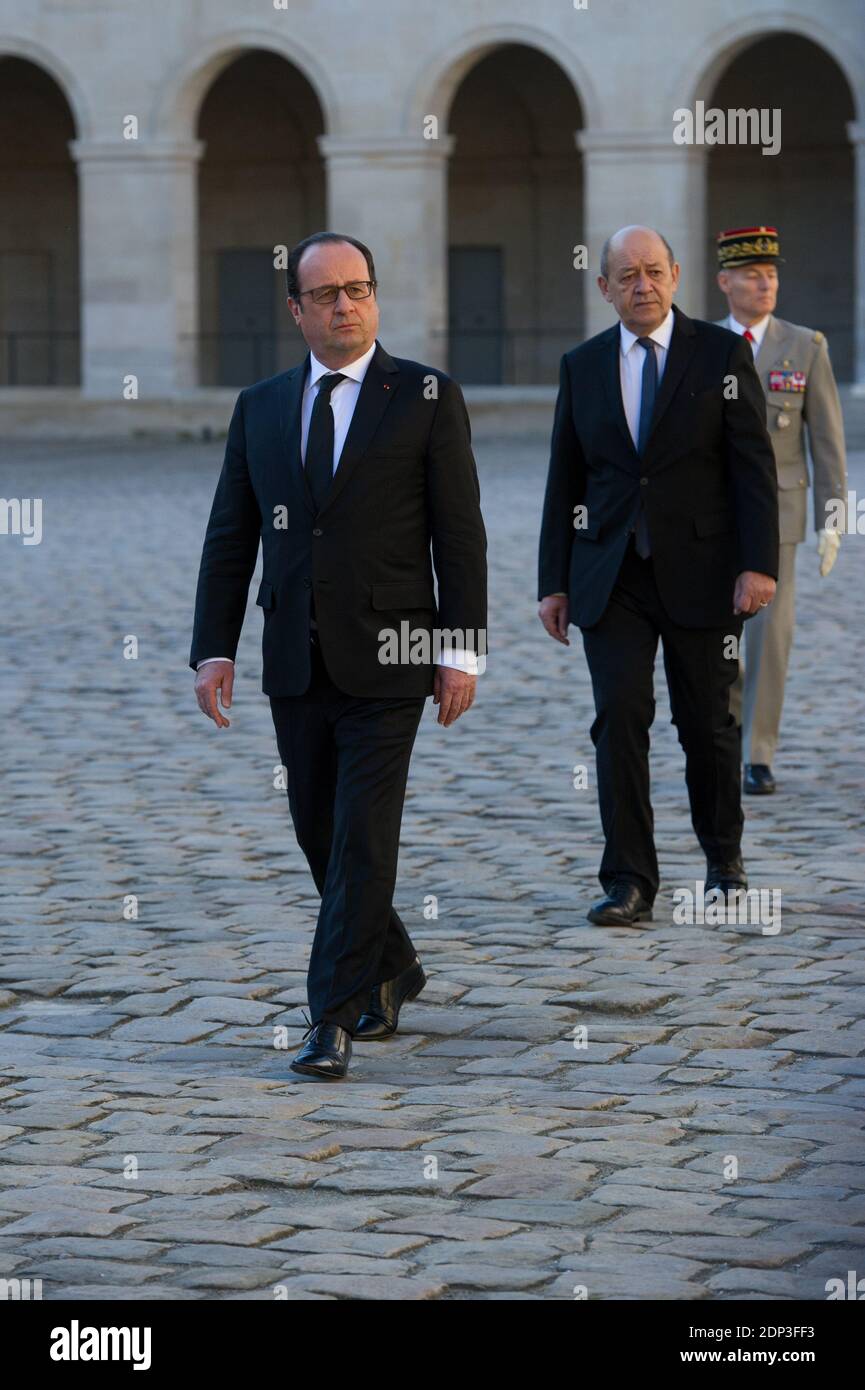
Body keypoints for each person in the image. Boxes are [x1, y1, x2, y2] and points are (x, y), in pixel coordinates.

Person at [190, 232, 487, 1077]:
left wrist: (461, 650)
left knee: (361, 836)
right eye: (325, 294)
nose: (344, 305)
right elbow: (229, 535)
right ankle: (392, 964)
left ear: (374, 297)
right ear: (297, 310)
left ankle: (330, 1017)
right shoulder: (263, 406)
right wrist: (214, 648)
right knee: (317, 832)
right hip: (294, 656)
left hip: (393, 653)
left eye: (357, 289)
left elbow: (458, 536)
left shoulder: (426, 396)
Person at [538, 225, 778, 927]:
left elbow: (751, 468)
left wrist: (757, 563)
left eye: (652, 272)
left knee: (707, 724)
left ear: (675, 275)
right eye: (625, 276)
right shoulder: (581, 365)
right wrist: (554, 580)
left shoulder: (720, 352)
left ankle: (722, 863)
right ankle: (628, 880)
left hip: (704, 574)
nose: (640, 286)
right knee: (618, 719)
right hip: (611, 576)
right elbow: (565, 479)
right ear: (603, 287)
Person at [715, 226, 847, 794]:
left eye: (770, 274)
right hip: (713, 515)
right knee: (717, 632)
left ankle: (757, 753)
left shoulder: (804, 345)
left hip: (782, 516)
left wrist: (833, 520)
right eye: (751, 274)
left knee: (770, 635)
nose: (764, 282)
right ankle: (724, 736)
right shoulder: (702, 344)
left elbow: (828, 442)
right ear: (725, 282)